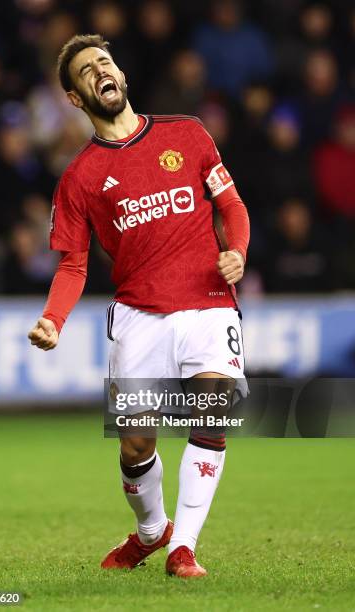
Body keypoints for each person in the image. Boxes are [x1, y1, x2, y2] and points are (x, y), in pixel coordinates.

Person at [28, 34, 250, 578]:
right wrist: (53, 320)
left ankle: (185, 549)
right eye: (84, 71)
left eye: (104, 61)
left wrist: (237, 253)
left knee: (212, 409)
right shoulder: (80, 179)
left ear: (121, 74)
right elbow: (73, 266)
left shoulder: (187, 134)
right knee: (134, 447)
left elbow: (232, 206)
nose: (98, 70)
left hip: (208, 305)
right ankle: (154, 532)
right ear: (77, 99)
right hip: (139, 316)